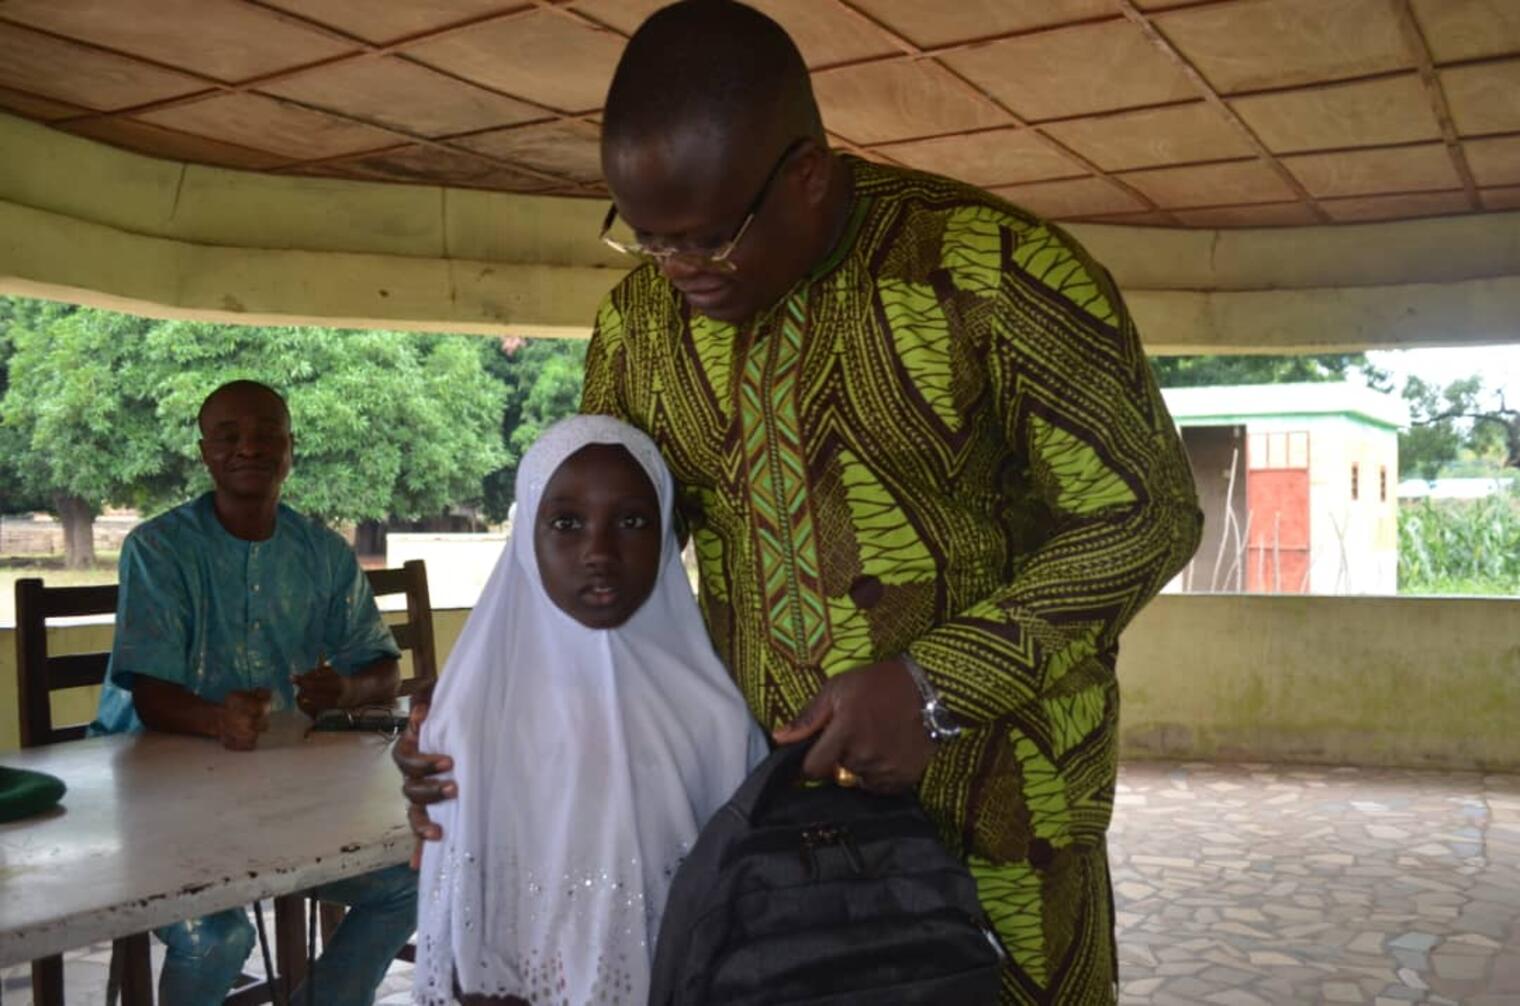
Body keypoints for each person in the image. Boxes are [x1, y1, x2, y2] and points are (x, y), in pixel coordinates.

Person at [399, 3, 1203, 1002]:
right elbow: (600, 556)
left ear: (807, 175)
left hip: (1004, 813)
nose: (681, 273)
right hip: (756, 828)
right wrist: (481, 709)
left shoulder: (994, 271)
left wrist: (930, 683)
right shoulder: (638, 327)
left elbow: (1147, 513)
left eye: (709, 239)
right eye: (648, 242)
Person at [413, 416, 765, 1006]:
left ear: (666, 534)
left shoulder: (716, 717)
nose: (599, 552)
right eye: (567, 524)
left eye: (631, 521)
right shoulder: (473, 719)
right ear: (527, 536)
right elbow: (462, 932)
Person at [91, 380, 418, 1006]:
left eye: (268, 433)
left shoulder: (321, 552)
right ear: (204, 453)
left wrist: (346, 686)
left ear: (292, 449)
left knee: (417, 879)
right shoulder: (158, 549)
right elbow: (150, 698)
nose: (249, 447)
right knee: (217, 935)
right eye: (228, 435)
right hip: (154, 797)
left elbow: (384, 669)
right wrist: (216, 719)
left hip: (278, 794)